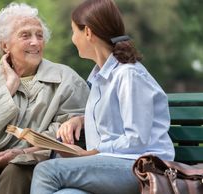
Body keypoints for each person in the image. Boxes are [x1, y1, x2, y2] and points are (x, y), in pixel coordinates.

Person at [0, 2, 89, 194]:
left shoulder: (66, 79)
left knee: (16, 171)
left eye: (39, 35)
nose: (35, 42)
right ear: (5, 46)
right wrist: (9, 87)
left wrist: (23, 151)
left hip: (41, 158)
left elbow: (71, 132)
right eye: (25, 35)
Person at [31, 0, 175, 193]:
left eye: (74, 31)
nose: (73, 39)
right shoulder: (100, 78)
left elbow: (136, 138)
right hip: (113, 165)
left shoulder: (128, 75)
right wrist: (81, 120)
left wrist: (93, 153)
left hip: (141, 167)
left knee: (46, 171)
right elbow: (119, 115)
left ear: (88, 33)